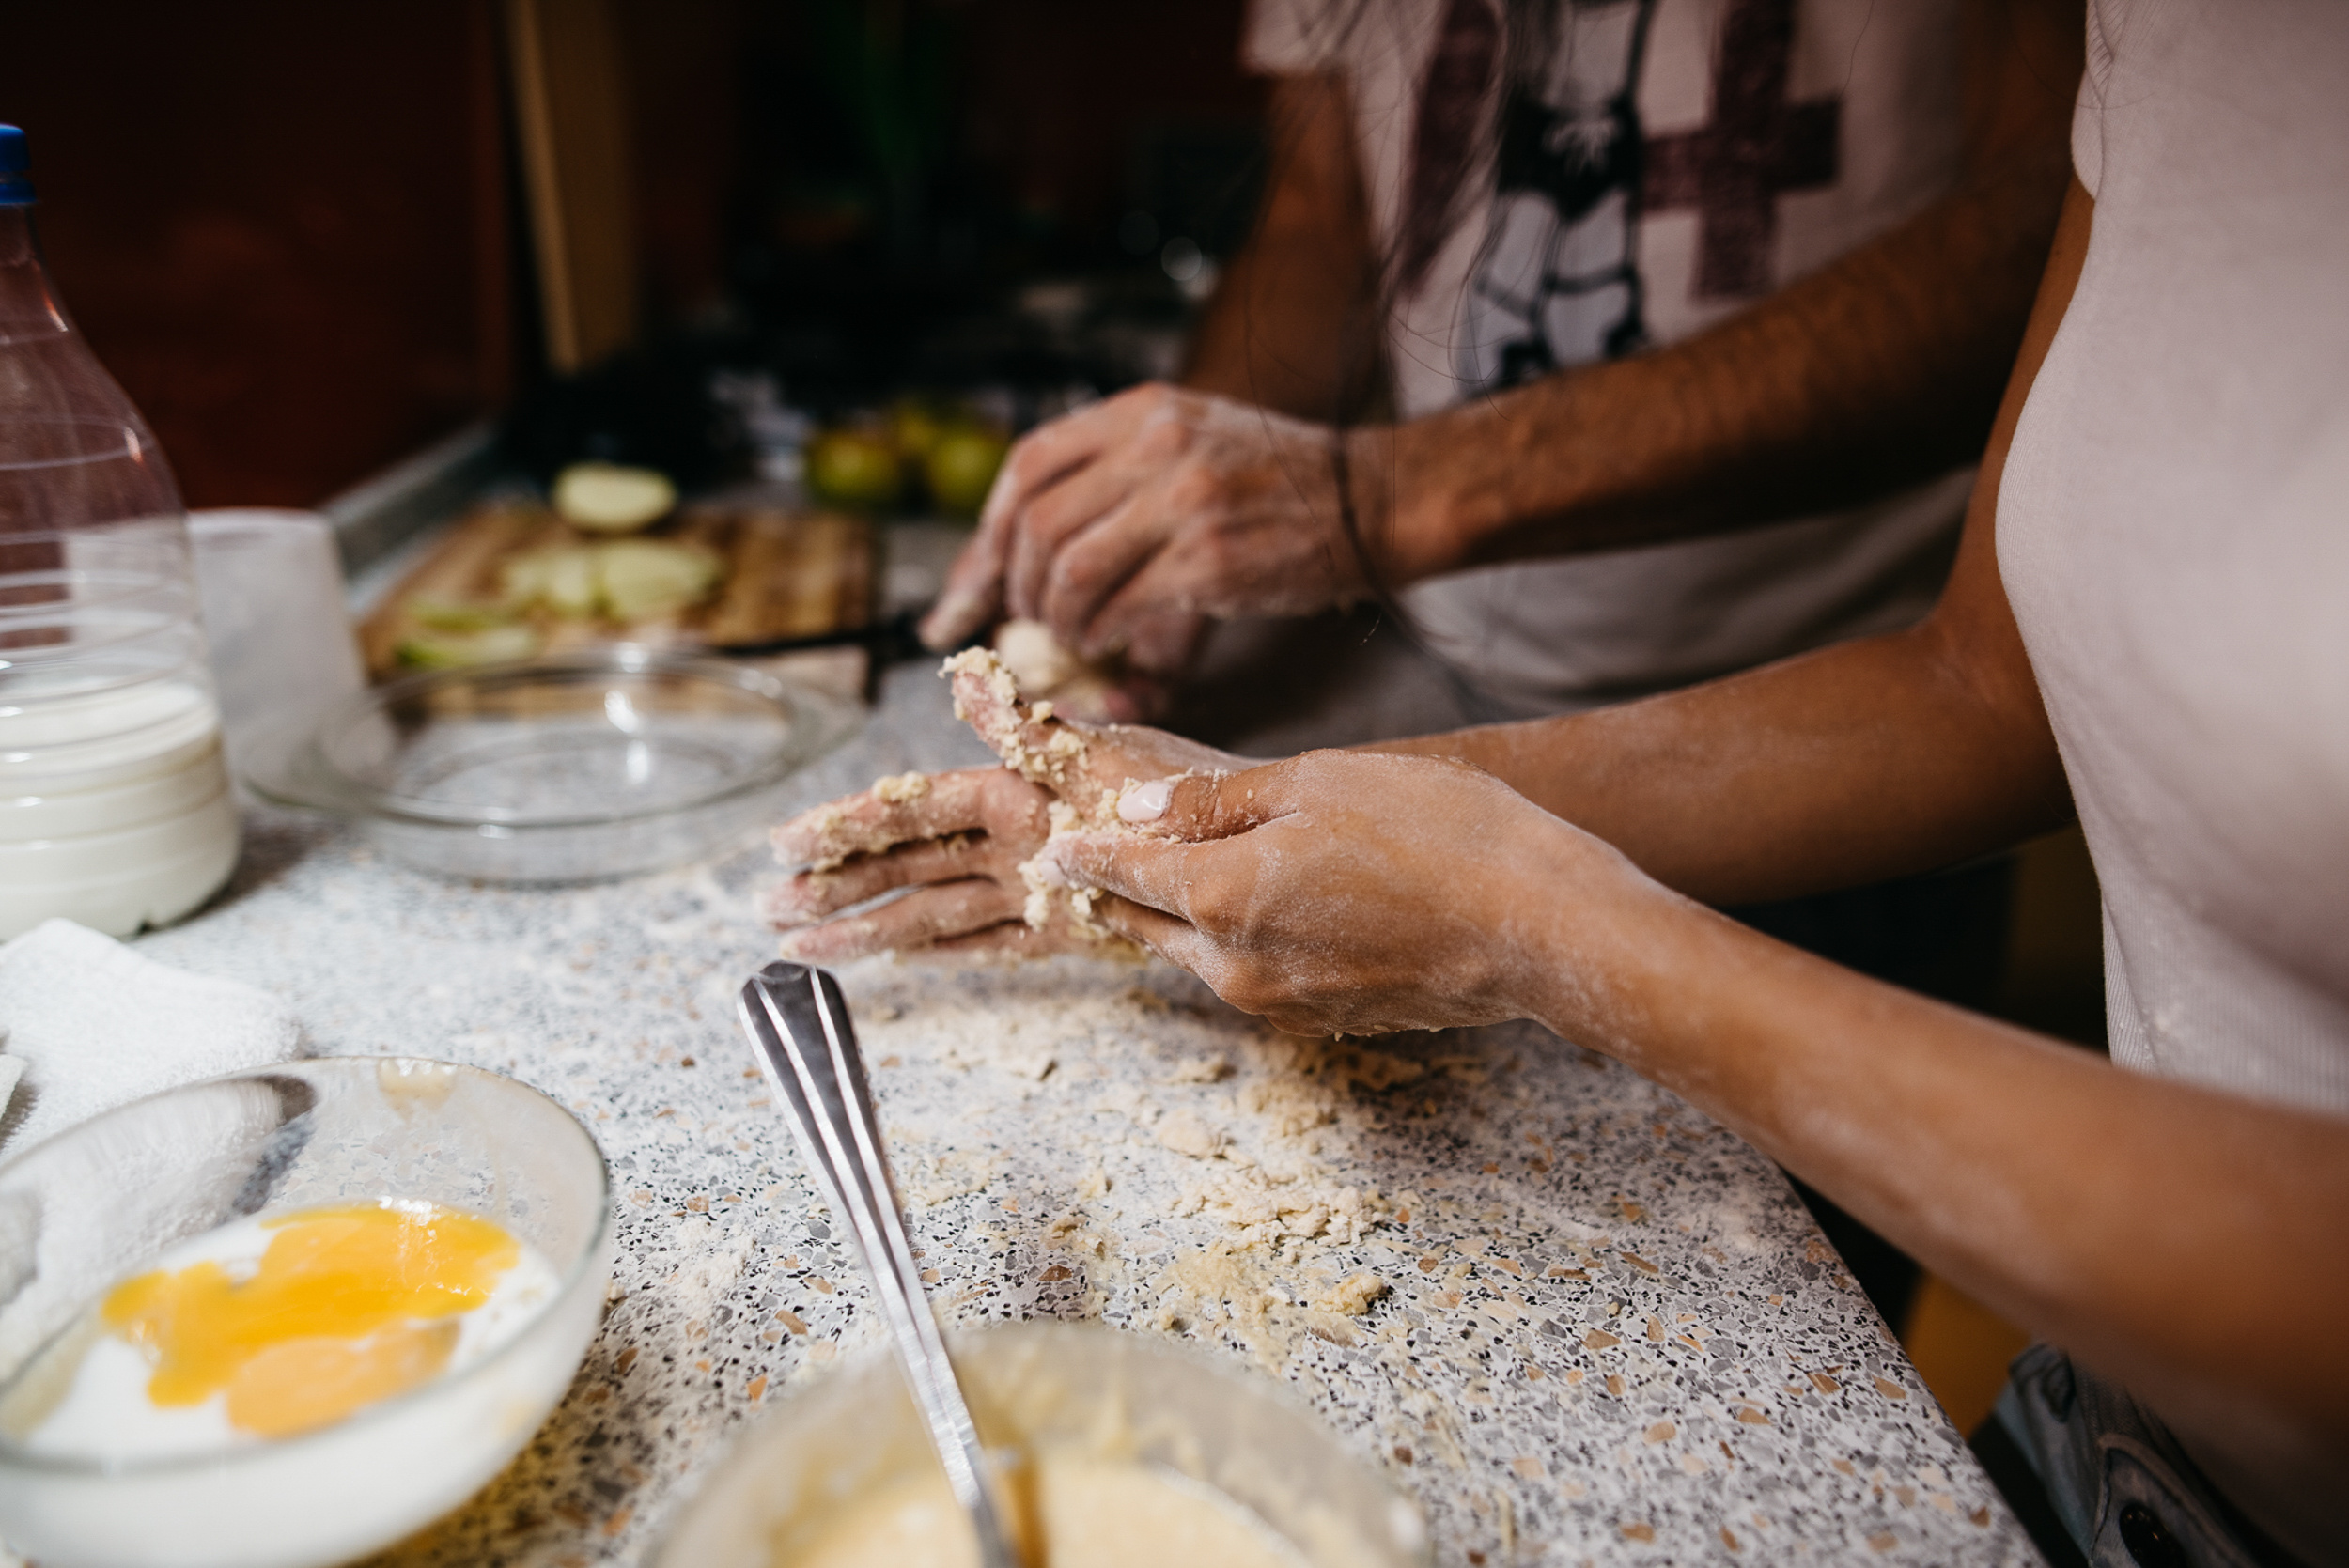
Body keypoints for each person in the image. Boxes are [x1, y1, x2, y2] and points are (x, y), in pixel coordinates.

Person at [774, 2, 2349, 1560]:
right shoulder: (2176, 31)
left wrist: (1532, 922)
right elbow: (1982, 690)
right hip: (2114, 1447)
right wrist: (1240, 812)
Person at [922, 0, 2082, 725]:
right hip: (1440, 673)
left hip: (1844, 709)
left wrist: (1379, 496)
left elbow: (2037, 235)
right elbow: (1322, 221)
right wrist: (1180, 524)